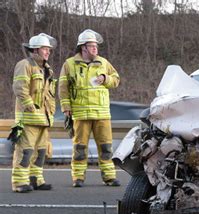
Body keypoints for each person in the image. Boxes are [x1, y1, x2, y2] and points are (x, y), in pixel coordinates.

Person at [58, 29, 121, 187]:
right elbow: (63, 88)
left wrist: (105, 78)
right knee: (80, 148)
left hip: (102, 113)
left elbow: (116, 79)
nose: (95, 49)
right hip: (80, 113)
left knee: (106, 147)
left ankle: (109, 177)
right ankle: (78, 178)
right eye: (92, 46)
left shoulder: (103, 63)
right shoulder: (69, 64)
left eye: (96, 46)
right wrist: (66, 107)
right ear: (83, 47)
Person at [11, 33, 57, 193]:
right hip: (29, 118)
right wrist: (31, 106)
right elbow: (20, 88)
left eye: (49, 49)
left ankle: (35, 179)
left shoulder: (46, 69)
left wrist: (50, 113)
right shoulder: (25, 65)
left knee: (41, 152)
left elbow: (49, 96)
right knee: (26, 151)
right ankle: (19, 182)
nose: (48, 51)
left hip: (43, 119)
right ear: (36, 50)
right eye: (45, 48)